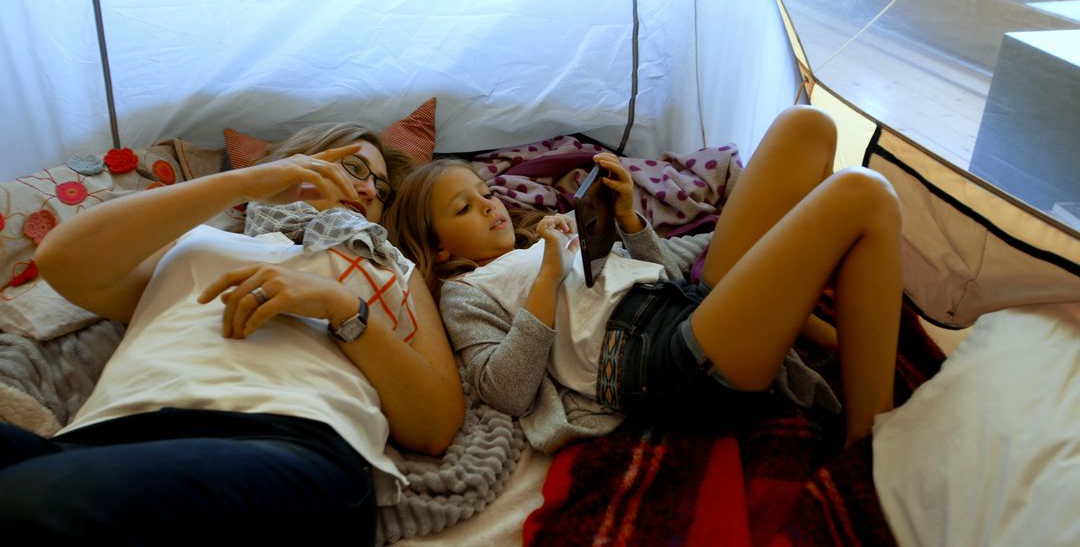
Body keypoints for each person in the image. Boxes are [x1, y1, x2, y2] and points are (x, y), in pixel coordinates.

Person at [0, 123, 465, 543]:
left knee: (30, 500)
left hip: (286, 444)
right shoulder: (200, 237)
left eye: (380, 189)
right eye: (354, 167)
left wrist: (339, 304)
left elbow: (435, 427)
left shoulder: (386, 265)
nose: (366, 189)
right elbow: (64, 260)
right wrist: (247, 182)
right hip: (104, 434)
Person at [385, 106, 900, 452]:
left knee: (806, 124)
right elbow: (506, 391)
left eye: (485, 193)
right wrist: (547, 274)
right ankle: (869, 441)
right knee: (863, 193)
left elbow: (668, 276)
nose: (490, 206)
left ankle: (830, 334)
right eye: (464, 208)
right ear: (439, 246)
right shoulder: (462, 293)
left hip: (688, 306)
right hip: (664, 364)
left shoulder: (540, 237)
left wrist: (630, 219)